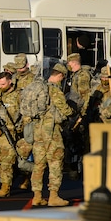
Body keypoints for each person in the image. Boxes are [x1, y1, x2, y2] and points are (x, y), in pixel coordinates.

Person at [29, 64, 74, 207]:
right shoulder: (55, 90)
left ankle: (37, 196)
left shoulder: (39, 88)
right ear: (60, 75)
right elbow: (65, 110)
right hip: (52, 131)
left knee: (39, 164)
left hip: (38, 130)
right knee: (55, 161)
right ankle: (53, 196)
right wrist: (71, 111)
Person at [0, 72, 21, 197]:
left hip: (9, 133)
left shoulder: (17, 95)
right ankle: (11, 176)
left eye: (3, 84)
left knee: (7, 162)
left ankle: (5, 187)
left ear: (10, 81)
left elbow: (23, 113)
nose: (1, 86)